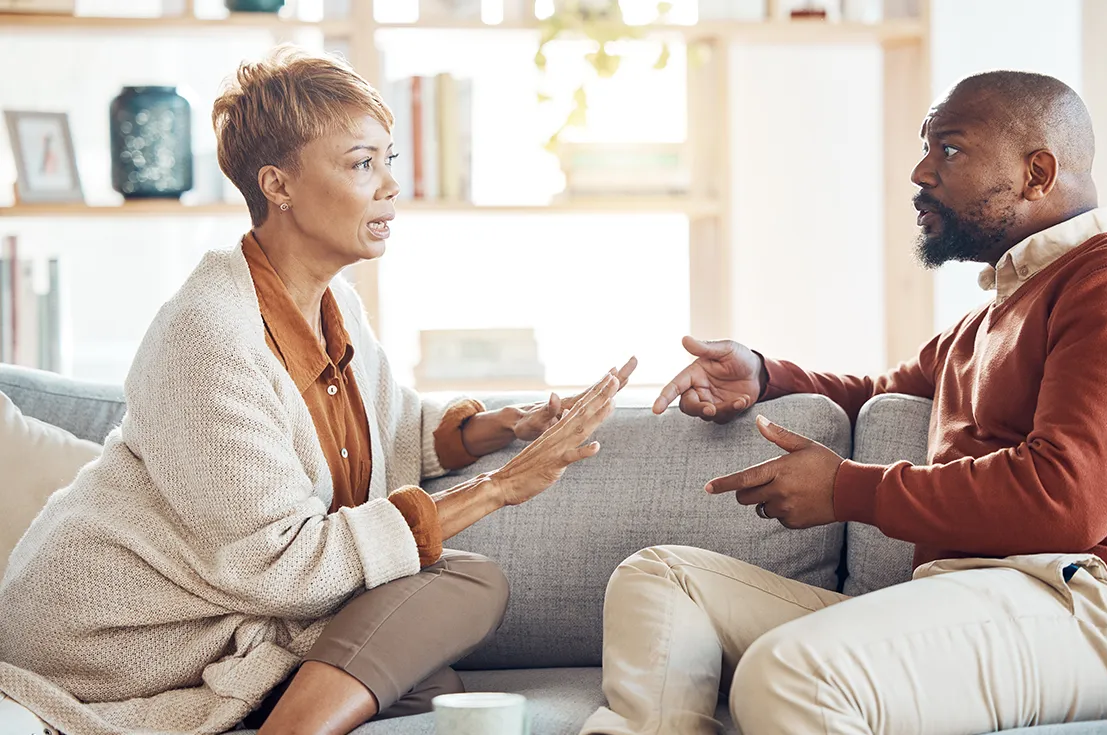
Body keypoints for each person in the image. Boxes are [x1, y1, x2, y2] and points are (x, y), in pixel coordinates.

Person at [0, 46, 636, 735]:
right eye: (363, 163)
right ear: (279, 185)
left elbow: (385, 426)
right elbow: (282, 564)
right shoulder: (207, 335)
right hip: (106, 638)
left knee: (431, 674)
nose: (390, 186)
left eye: (389, 160)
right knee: (462, 586)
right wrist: (499, 486)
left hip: (233, 610)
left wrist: (508, 425)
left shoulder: (335, 303)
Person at [581, 70, 1107, 735]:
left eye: (949, 150)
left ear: (1037, 173)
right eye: (925, 148)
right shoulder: (982, 322)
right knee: (661, 576)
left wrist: (850, 489)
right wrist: (764, 375)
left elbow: (1069, 495)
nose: (920, 172)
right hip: (966, 598)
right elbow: (878, 393)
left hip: (1092, 613)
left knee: (789, 674)